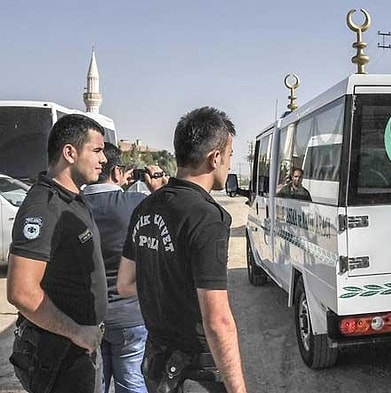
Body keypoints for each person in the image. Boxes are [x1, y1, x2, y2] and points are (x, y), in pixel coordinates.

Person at [117, 107, 247, 392]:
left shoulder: (145, 207)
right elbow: (217, 320)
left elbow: (125, 284)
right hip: (195, 371)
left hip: (156, 364)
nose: (229, 163)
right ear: (215, 158)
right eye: (230, 155)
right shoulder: (208, 217)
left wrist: (164, 288)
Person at [6, 114, 108, 392]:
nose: (104, 160)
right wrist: (76, 332)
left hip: (78, 349)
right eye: (97, 150)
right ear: (70, 152)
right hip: (59, 354)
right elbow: (20, 291)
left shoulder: (72, 199)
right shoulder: (44, 207)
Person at [82, 143, 167, 393]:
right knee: (132, 385)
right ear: (117, 172)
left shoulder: (73, 204)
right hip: (131, 315)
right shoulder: (137, 203)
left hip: (87, 318)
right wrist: (158, 188)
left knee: (93, 385)